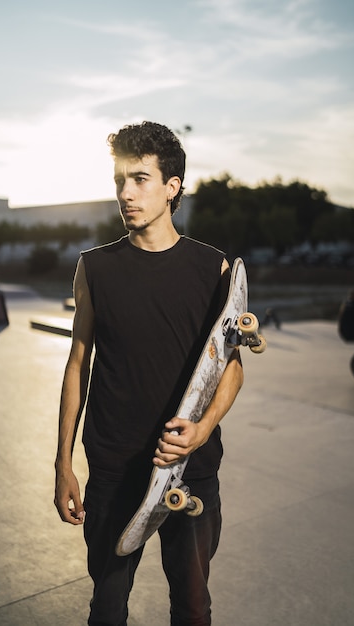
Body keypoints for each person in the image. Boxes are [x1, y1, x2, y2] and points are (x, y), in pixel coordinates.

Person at [54, 121, 244, 626]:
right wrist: (62, 464)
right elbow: (78, 364)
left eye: (140, 179)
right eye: (120, 180)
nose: (125, 193)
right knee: (107, 608)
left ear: (172, 187)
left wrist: (200, 431)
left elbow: (231, 368)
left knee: (192, 605)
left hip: (191, 467)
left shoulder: (213, 269)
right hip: (115, 469)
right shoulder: (95, 268)